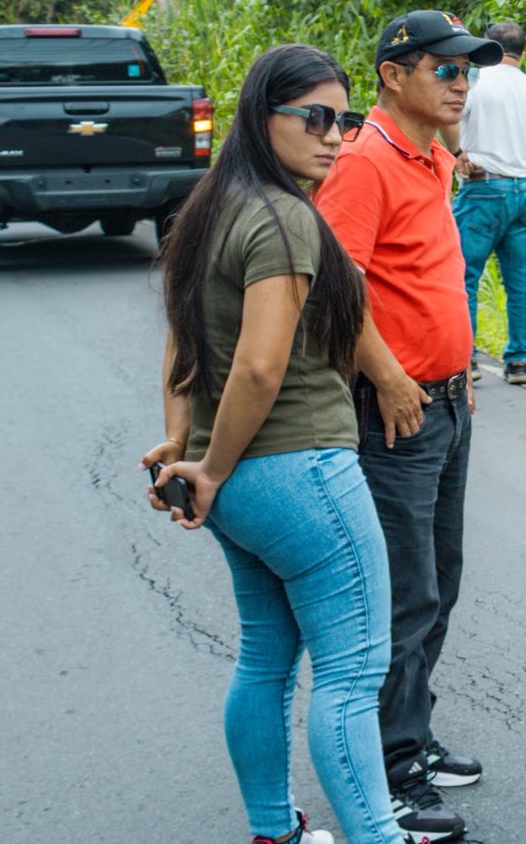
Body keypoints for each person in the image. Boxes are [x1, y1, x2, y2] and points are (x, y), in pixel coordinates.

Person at [143, 44, 399, 844]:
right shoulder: (284, 217)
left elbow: (181, 346)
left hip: (241, 487)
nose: (334, 137)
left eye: (345, 121)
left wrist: (184, 443)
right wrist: (208, 467)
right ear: (263, 117)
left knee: (264, 658)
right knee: (352, 674)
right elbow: (259, 366)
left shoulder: (209, 208)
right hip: (300, 470)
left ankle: (273, 830)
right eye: (315, 118)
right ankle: (378, 836)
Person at [315, 10, 503, 844]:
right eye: (446, 70)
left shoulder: (433, 156)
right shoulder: (364, 163)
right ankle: (390, 771)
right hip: (396, 406)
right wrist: (390, 376)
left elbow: (427, 277)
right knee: (402, 591)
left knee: (441, 580)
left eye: (469, 71)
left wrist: (459, 368)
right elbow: (337, 286)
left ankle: (411, 734)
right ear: (394, 75)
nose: (462, 84)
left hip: (446, 400)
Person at [452, 20, 526, 387]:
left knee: (464, 276)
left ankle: (466, 357)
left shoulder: (475, 82)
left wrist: (457, 152)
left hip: (484, 187)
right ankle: (519, 362)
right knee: (520, 281)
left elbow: (451, 116)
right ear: (523, 53)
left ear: (487, 47)